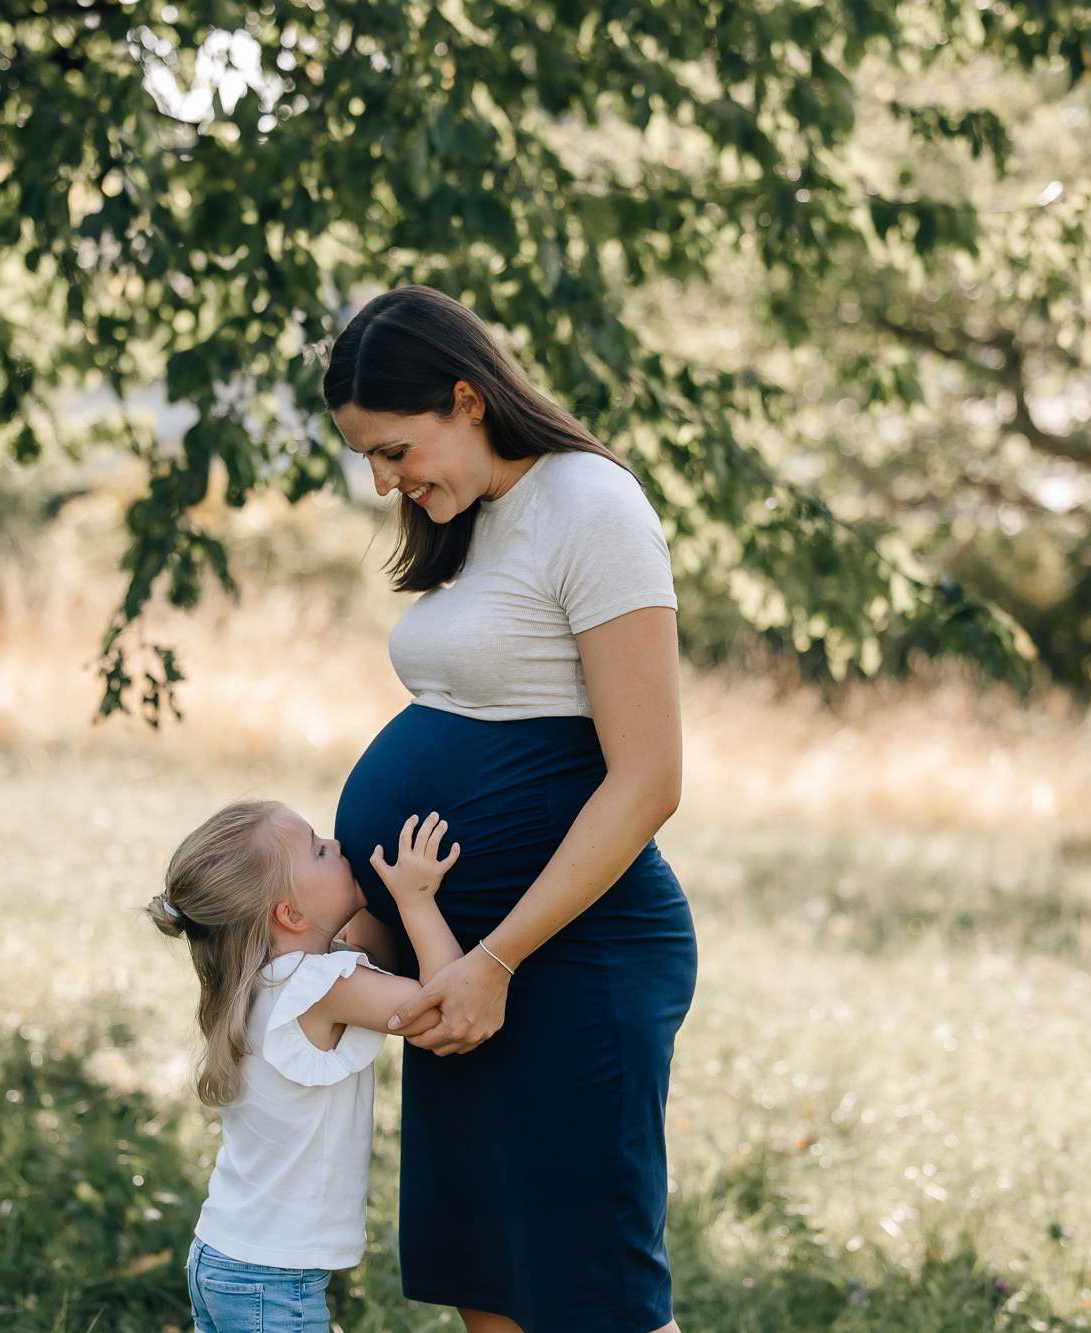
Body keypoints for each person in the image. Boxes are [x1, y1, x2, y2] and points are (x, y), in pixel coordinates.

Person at [326, 286, 697, 1333]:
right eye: (367, 459)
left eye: (395, 449)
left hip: (565, 962)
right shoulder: (478, 519)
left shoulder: (589, 503)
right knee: (488, 1288)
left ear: (466, 397)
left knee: (594, 1302)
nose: (384, 480)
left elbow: (648, 778)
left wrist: (496, 960)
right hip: (459, 966)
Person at [149, 801, 466, 1333]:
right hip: (270, 1277)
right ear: (291, 914)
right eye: (321, 849)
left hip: (225, 1254)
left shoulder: (262, 979)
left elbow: (364, 953)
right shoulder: (319, 988)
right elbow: (443, 1004)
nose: (338, 846)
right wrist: (416, 901)